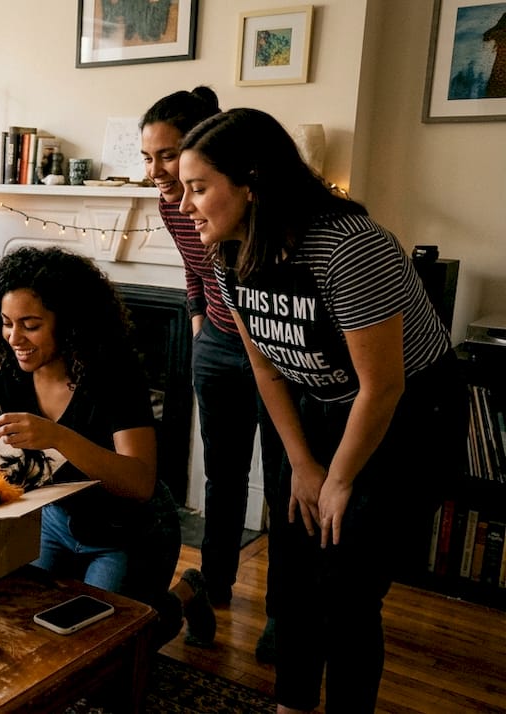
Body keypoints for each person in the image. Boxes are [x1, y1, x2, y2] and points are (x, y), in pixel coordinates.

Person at [178, 108, 463, 713]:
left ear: (251, 182)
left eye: (198, 187)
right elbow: (264, 368)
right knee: (297, 583)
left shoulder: (348, 247)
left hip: (409, 413)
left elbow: (382, 387)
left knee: (349, 593)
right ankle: (292, 704)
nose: (184, 204)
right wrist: (303, 464)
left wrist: (339, 479)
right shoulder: (229, 256)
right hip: (319, 407)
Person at [0, 247, 215, 649]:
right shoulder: (4, 359)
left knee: (106, 651)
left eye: (30, 325)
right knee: (25, 627)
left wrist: (59, 438)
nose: (15, 338)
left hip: (126, 531)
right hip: (54, 520)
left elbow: (140, 481)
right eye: (6, 323)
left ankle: (186, 594)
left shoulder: (112, 371)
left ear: (68, 322)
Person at [141, 86, 285, 656]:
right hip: (219, 343)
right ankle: (216, 581)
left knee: (280, 478)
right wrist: (199, 316)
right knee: (222, 474)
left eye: (167, 155)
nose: (156, 171)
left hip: (275, 350)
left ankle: (283, 611)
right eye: (147, 157)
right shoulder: (170, 205)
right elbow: (194, 266)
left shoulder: (256, 210)